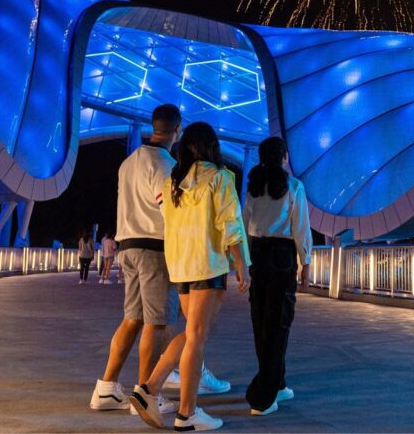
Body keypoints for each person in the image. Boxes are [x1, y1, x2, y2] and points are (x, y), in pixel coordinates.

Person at [131, 122, 250, 432]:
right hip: (208, 265)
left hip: (181, 268)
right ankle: (186, 413)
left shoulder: (173, 183)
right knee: (197, 336)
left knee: (193, 333)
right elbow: (231, 224)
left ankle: (150, 388)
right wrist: (242, 265)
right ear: (211, 147)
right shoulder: (220, 178)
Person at [89, 104, 182, 414]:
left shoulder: (128, 163)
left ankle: (106, 388)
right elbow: (167, 207)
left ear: (153, 127)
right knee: (158, 324)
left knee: (133, 319)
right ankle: (146, 394)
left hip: (126, 247)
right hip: (154, 249)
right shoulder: (165, 163)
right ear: (176, 131)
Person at [242, 136, 311, 416]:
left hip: (257, 254)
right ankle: (264, 397)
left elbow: (244, 226)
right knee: (279, 321)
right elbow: (301, 227)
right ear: (284, 157)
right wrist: (305, 261)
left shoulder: (253, 188)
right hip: (282, 256)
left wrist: (244, 262)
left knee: (260, 319)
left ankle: (278, 382)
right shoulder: (293, 186)